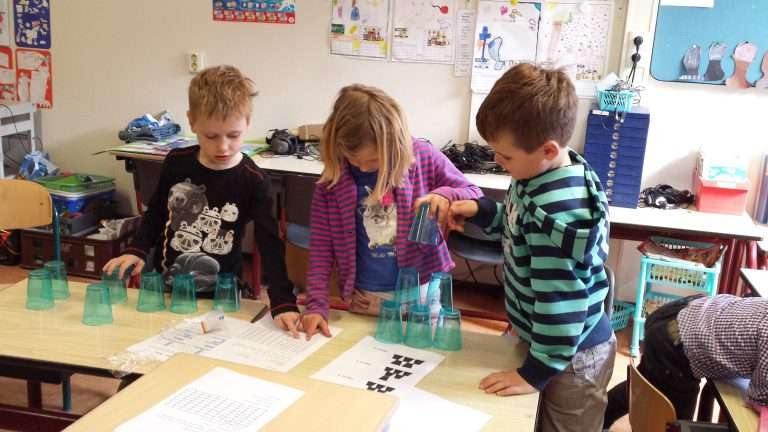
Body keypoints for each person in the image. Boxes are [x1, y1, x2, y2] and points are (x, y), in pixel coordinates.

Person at [448, 63, 615, 432]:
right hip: (551, 342)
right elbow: (517, 224)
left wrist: (534, 373)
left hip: (573, 356)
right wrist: (482, 211)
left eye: (505, 156)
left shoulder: (555, 214)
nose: (497, 161)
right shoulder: (541, 172)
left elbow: (562, 305)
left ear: (548, 149)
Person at [103, 65, 300, 335]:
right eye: (211, 136)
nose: (223, 147)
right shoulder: (177, 163)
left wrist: (282, 301)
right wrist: (136, 249)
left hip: (221, 296)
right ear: (192, 121)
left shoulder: (254, 179)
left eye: (233, 135)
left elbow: (269, 243)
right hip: (168, 288)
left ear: (248, 122)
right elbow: (157, 212)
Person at [301, 84, 482, 340]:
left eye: (373, 160)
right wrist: (316, 305)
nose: (364, 167)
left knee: (425, 357)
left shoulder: (422, 156)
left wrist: (445, 195)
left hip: (423, 294)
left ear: (394, 145)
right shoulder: (333, 179)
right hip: (366, 298)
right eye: (354, 159)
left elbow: (473, 192)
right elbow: (321, 248)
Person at [604, 294, 768, 429]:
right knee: (679, 422)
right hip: (677, 342)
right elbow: (758, 397)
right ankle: (599, 417)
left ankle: (599, 416)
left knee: (645, 384)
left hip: (676, 314)